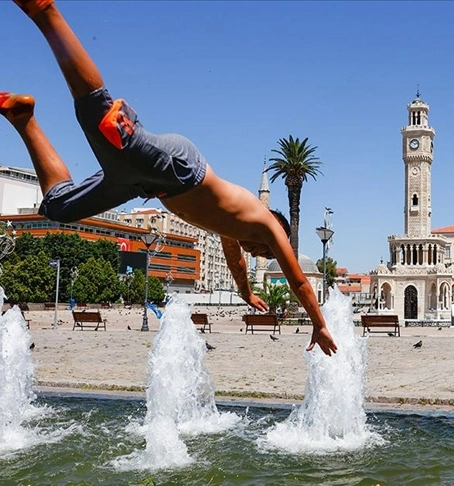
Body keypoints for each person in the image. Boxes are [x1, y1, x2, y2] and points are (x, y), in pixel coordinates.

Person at [1, 0, 337, 356]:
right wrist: (320, 324)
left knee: (59, 206)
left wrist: (245, 293)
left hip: (146, 184)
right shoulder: (266, 224)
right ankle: (44, 10)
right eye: (268, 250)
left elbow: (235, 259)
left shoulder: (235, 229)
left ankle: (23, 117)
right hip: (179, 167)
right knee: (101, 119)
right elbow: (298, 279)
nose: (261, 252)